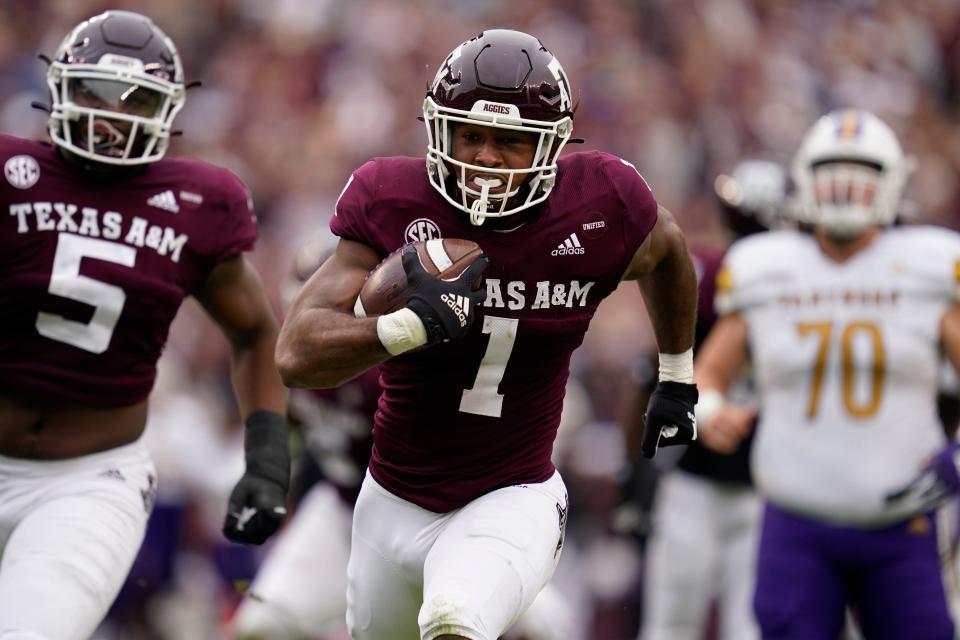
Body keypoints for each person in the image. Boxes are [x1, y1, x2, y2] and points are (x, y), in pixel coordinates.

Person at [275, 28, 700, 640]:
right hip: (389, 500)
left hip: (513, 494)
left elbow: (669, 252)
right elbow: (296, 352)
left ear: (550, 147)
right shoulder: (392, 200)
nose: (486, 158)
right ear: (438, 130)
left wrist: (677, 374)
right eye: (470, 136)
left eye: (510, 141)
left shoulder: (601, 204)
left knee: (455, 622)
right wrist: (404, 327)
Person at [0, 10, 290, 639]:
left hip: (85, 482)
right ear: (59, 90)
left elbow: (255, 330)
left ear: (167, 111)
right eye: (93, 94)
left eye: (134, 101)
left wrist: (266, 458)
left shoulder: (198, 203)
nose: (109, 118)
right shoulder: (9, 173)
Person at [694, 107, 960, 639]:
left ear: (892, 185)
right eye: (832, 174)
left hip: (902, 523)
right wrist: (710, 410)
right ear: (806, 180)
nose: (844, 191)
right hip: (797, 519)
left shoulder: (929, 264)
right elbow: (708, 374)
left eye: (861, 179)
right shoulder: (765, 265)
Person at [234, 237, 581, 640]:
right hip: (343, 507)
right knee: (260, 625)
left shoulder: (383, 372)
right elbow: (297, 434)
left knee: (531, 625)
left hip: (431, 510)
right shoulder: (289, 365)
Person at [623, 159, 788, 640]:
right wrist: (634, 473)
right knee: (673, 622)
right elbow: (651, 374)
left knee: (746, 626)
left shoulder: (800, 289)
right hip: (696, 479)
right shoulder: (709, 277)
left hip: (767, 487)